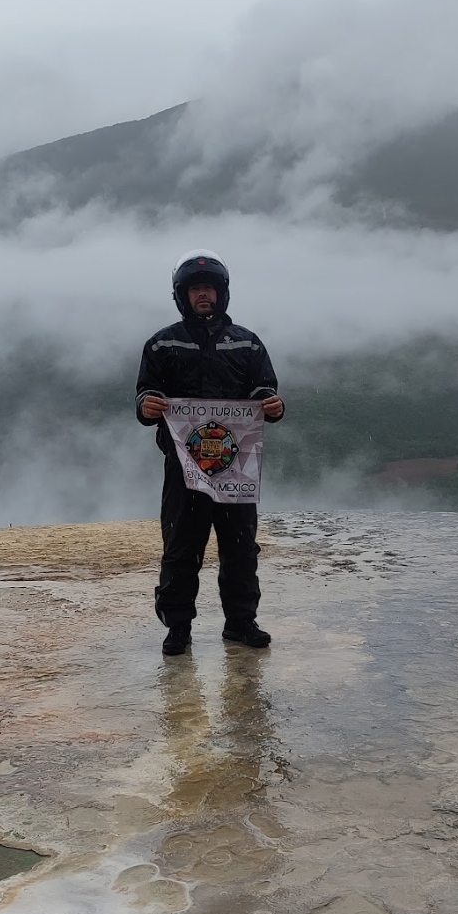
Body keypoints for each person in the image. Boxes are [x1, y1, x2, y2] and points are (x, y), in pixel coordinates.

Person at [135, 250, 285, 657]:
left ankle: (240, 622)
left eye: (210, 289)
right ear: (182, 295)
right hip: (184, 469)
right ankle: (178, 627)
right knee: (182, 546)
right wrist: (147, 405)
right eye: (196, 289)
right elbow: (146, 393)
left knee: (240, 547)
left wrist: (272, 405)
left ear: (223, 294)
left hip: (236, 467)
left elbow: (264, 391)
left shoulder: (247, 343)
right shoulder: (162, 342)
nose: (204, 295)